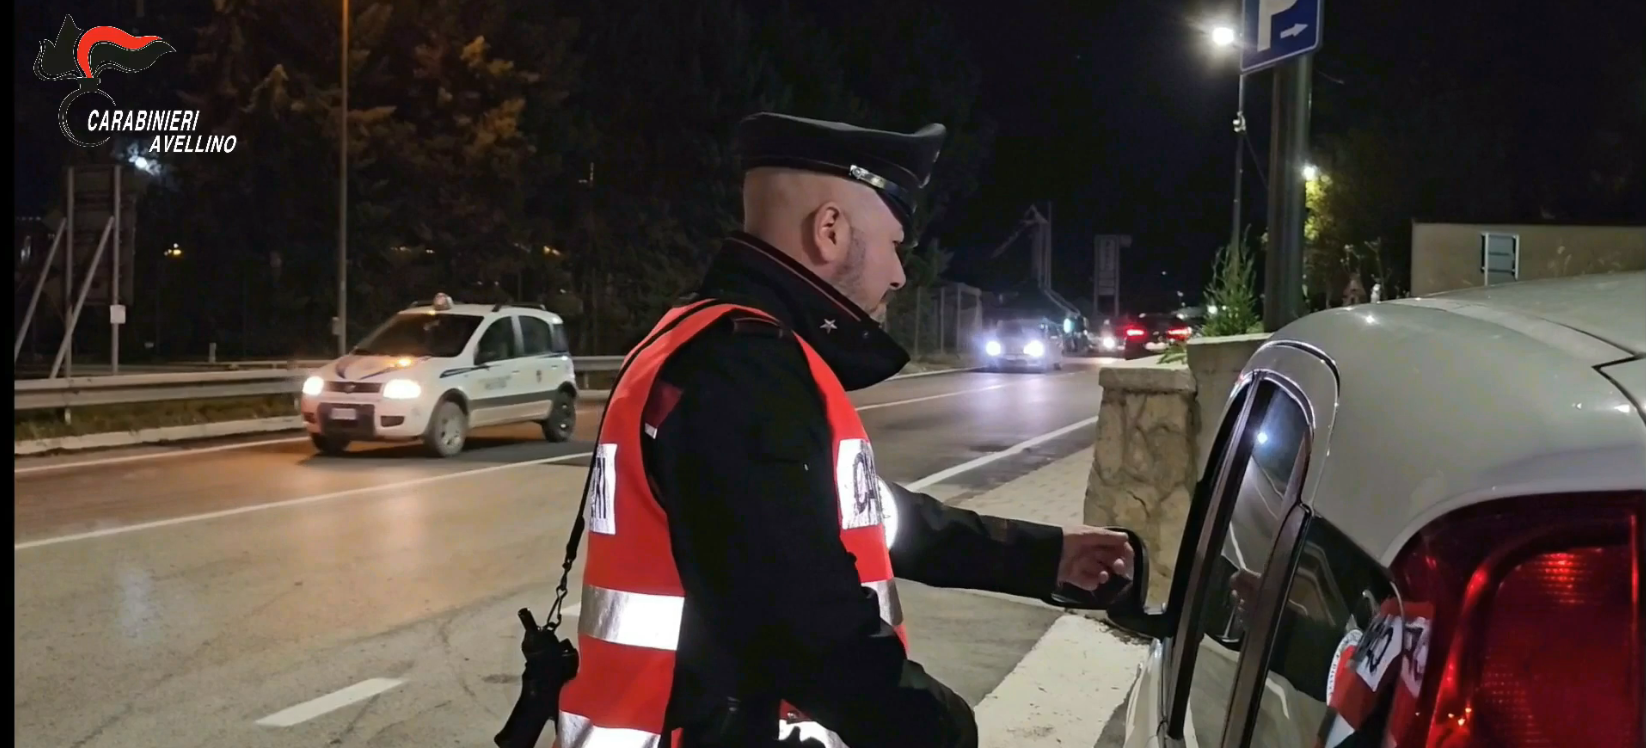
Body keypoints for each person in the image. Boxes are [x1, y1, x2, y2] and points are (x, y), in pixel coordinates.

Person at [553, 113, 1139, 748]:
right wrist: (940, 728)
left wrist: (1045, 556)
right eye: (894, 244)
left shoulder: (701, 337)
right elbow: (805, 623)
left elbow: (862, 517)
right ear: (830, 230)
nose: (899, 274)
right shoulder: (745, 368)